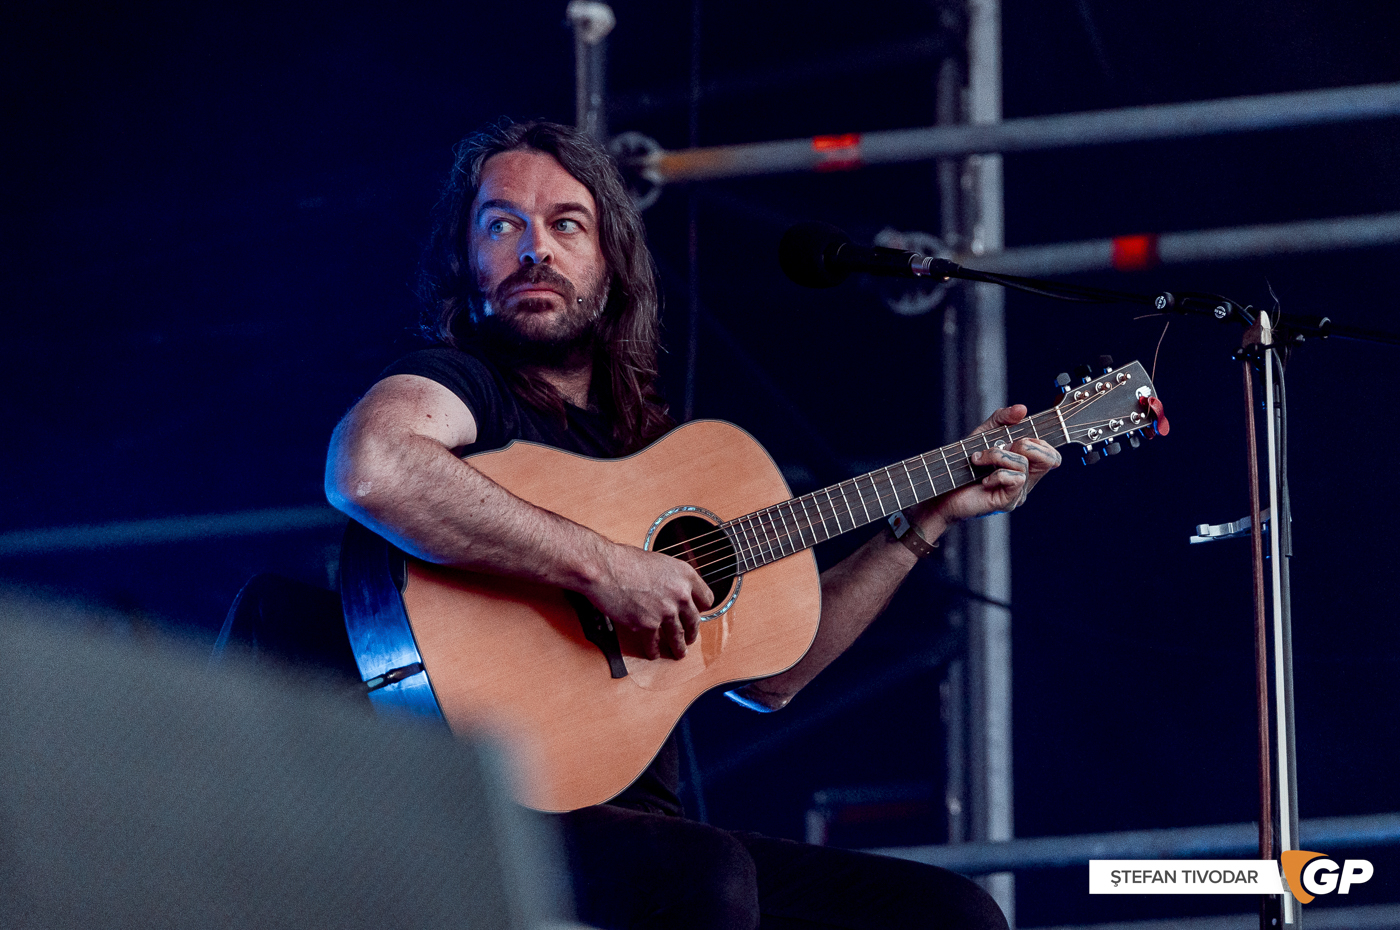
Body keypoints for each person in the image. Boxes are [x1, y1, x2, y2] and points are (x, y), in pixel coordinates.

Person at [325, 119, 1060, 930]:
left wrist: (927, 519)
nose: (535, 248)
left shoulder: (659, 456)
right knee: (705, 878)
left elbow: (774, 676)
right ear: (465, 263)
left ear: (611, 264)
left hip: (641, 829)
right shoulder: (466, 384)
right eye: (502, 225)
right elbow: (375, 465)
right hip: (489, 810)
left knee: (948, 913)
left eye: (567, 224)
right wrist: (607, 568)